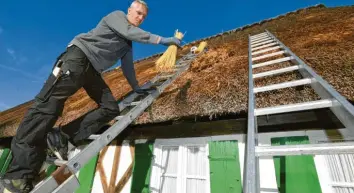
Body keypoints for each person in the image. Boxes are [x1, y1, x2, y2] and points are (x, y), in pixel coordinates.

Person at [0, 1, 181, 192]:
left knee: (110, 107)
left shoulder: (127, 44)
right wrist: (163, 40)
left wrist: (136, 87)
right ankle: (17, 176)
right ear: (129, 10)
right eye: (138, 13)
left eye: (143, 16)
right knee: (47, 108)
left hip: (92, 71)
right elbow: (130, 31)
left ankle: (62, 137)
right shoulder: (117, 16)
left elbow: (128, 67)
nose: (140, 18)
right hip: (77, 58)